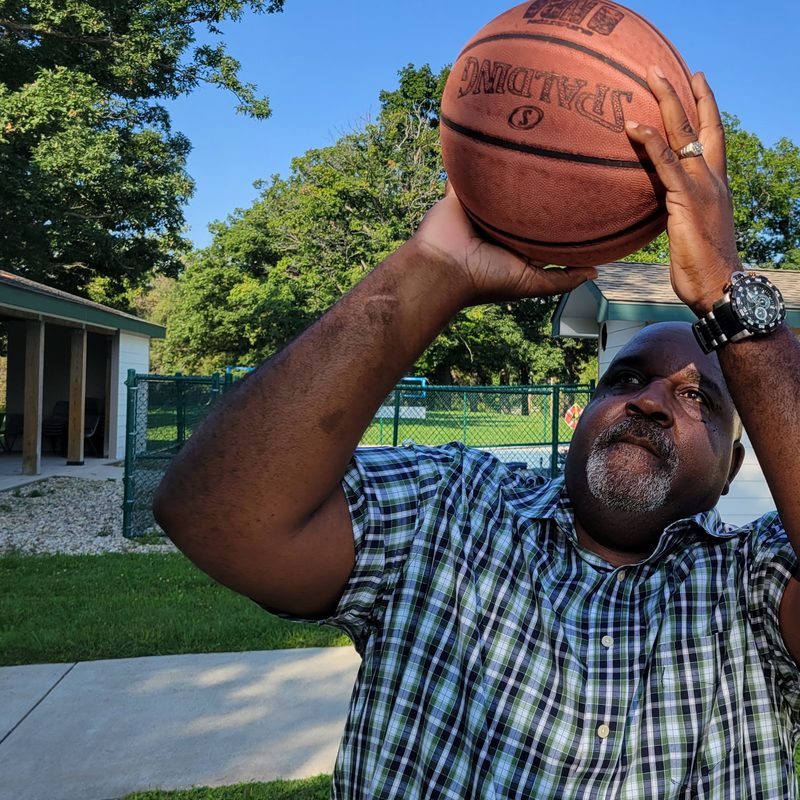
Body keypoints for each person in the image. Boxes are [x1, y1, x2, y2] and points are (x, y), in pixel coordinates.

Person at [154, 67, 800, 798]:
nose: (649, 401)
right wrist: (431, 268)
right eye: (623, 379)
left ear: (735, 464)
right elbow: (216, 514)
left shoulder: (756, 583)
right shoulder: (450, 506)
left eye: (696, 399)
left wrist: (727, 295)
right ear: (579, 417)